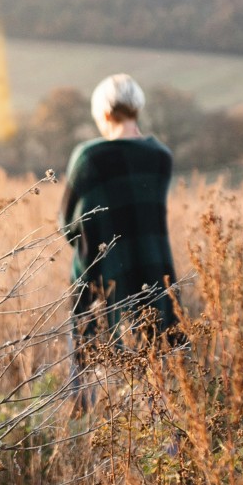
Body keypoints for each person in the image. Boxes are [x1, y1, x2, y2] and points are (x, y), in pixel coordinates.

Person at [59, 73, 180, 366]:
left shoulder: (89, 158)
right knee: (158, 368)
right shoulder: (161, 157)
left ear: (103, 114)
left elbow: (68, 224)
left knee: (97, 372)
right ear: (137, 108)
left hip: (102, 280)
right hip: (154, 275)